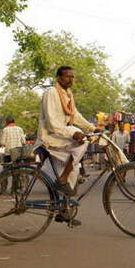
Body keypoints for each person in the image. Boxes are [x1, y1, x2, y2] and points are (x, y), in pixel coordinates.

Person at [37, 66, 96, 201]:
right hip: (50, 136)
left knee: (73, 174)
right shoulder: (51, 92)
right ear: (58, 78)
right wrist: (72, 134)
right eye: (67, 76)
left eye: (72, 76)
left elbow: (75, 116)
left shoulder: (68, 94)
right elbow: (52, 122)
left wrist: (92, 128)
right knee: (82, 140)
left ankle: (64, 210)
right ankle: (62, 179)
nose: (70, 79)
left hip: (61, 136)